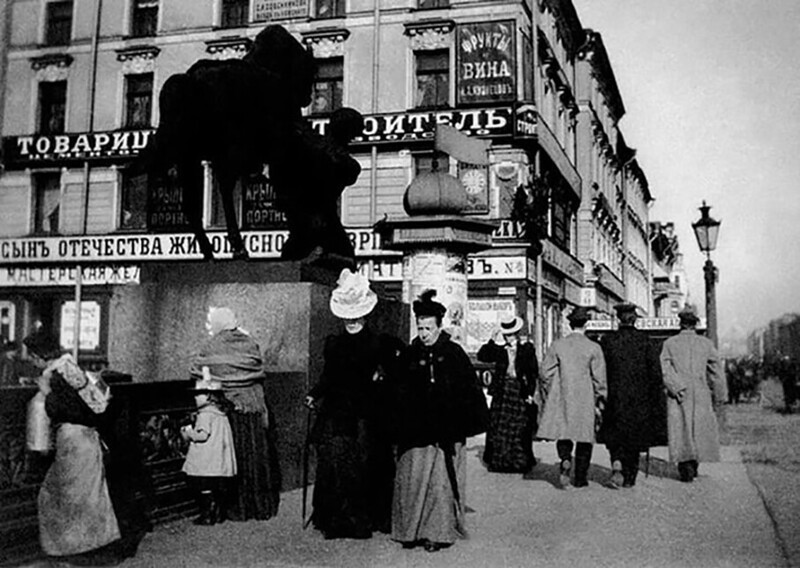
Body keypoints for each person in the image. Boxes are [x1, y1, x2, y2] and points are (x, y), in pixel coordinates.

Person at [304, 269, 402, 539]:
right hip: (337, 413)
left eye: (355, 315)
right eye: (346, 315)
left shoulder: (379, 343)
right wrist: (315, 393)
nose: (350, 320)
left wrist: (380, 380)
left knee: (366, 465)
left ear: (364, 314)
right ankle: (338, 520)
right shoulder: (334, 343)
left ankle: (365, 519)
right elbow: (329, 376)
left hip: (367, 415)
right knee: (337, 465)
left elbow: (394, 374)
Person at [392, 290, 488, 553]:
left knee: (439, 484)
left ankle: (437, 533)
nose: (424, 333)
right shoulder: (410, 354)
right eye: (420, 328)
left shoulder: (454, 353)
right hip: (415, 433)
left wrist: (461, 422)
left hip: (445, 433)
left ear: (439, 326)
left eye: (428, 328)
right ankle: (410, 531)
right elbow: (397, 390)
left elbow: (469, 392)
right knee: (412, 481)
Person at [26, 333, 123, 566]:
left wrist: (46, 394)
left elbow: (66, 408)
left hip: (72, 440)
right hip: (89, 438)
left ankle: (72, 550)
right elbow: (91, 404)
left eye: (31, 355)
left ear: (40, 356)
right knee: (90, 495)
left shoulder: (54, 376)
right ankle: (94, 547)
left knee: (59, 495)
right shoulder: (71, 366)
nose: (29, 360)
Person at [190, 307, 280, 520]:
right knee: (253, 457)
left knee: (230, 460)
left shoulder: (212, 345)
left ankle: (232, 507)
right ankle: (257, 506)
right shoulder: (248, 342)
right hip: (252, 407)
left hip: (228, 409)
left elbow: (200, 368)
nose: (209, 327)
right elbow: (255, 366)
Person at [536, 306, 607, 489]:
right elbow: (600, 379)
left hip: (563, 395)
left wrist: (551, 390)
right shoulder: (594, 347)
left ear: (570, 323)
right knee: (585, 437)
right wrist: (601, 398)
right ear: (586, 324)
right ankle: (581, 478)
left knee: (564, 432)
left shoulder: (558, 345)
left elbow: (544, 373)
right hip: (585, 397)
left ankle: (565, 459)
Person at [598, 303, 666, 488]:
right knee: (634, 439)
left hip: (614, 397)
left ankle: (616, 462)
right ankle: (629, 477)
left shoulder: (607, 340)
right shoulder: (645, 341)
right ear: (634, 319)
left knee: (615, 435)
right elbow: (655, 374)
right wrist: (657, 398)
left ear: (619, 319)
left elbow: (601, 369)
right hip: (639, 400)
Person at [660, 305, 727, 482]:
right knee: (698, 429)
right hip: (701, 391)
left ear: (680, 324)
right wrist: (720, 395)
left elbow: (664, 369)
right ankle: (694, 463)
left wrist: (676, 386)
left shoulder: (669, 343)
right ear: (695, 325)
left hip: (679, 394)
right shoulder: (706, 344)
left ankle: (685, 466)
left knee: (681, 429)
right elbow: (717, 370)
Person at [477, 313, 539, 473]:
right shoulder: (499, 350)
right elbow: (482, 355)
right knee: (500, 427)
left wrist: (531, 393)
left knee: (519, 426)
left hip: (519, 389)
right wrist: (492, 339)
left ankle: (520, 462)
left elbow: (532, 372)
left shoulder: (527, 349)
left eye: (510, 334)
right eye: (506, 334)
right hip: (502, 389)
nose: (508, 337)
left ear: (516, 334)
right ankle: (500, 462)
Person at [181, 375, 237, 525]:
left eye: (198, 395)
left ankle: (207, 515)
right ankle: (217, 513)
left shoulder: (205, 414)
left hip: (206, 458)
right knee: (215, 486)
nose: (195, 398)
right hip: (217, 458)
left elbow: (202, 435)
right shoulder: (220, 413)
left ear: (208, 396)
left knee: (204, 485)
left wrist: (188, 433)